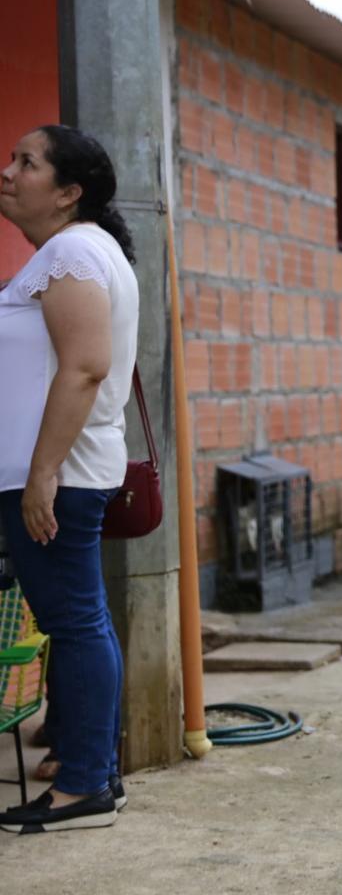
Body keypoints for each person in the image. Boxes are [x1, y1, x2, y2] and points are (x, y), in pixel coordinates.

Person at [0, 125, 141, 833]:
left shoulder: (73, 252)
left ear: (67, 193)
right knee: (81, 620)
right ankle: (93, 775)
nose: (8, 171)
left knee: (75, 622)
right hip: (55, 472)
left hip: (57, 475)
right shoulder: (71, 252)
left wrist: (42, 475)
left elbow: (84, 367)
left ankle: (83, 787)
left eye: (26, 162)